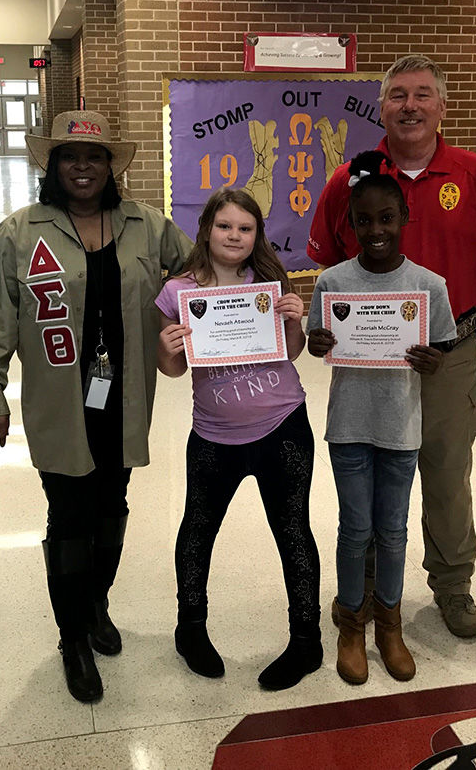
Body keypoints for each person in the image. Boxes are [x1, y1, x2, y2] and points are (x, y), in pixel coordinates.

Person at [0, 110, 192, 704]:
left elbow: (204, 270)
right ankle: (72, 636)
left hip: (125, 396)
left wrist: (254, 308)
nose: (82, 167)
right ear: (53, 165)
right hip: (58, 399)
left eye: (94, 157)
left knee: (111, 504)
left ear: (110, 165)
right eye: (70, 156)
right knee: (68, 513)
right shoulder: (21, 231)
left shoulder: (147, 225)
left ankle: (96, 604)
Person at [307, 55, 476, 639]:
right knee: (377, 469)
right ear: (381, 108)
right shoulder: (348, 177)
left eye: (423, 94)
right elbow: (330, 259)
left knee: (447, 471)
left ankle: (452, 586)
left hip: (449, 356)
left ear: (442, 107)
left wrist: (443, 317)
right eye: (398, 95)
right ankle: (372, 588)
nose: (410, 105)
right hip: (372, 361)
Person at [155, 189, 321, 691]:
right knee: (198, 530)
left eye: (245, 229)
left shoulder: (269, 282)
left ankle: (306, 640)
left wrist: (295, 319)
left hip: (283, 425)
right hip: (214, 434)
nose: (234, 236)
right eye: (225, 226)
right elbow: (173, 369)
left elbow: (290, 354)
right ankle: (191, 629)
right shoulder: (178, 292)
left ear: (256, 236)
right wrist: (165, 346)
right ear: (206, 229)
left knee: (293, 530)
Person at [306, 161, 457, 684]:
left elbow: (440, 346)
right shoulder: (331, 282)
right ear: (350, 223)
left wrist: (434, 360)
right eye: (364, 221)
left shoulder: (428, 286)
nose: (376, 231)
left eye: (387, 218)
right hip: (348, 426)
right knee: (355, 529)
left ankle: (389, 625)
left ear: (404, 218)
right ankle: (352, 623)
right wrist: (318, 341)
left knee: (393, 532)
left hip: (400, 428)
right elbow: (314, 339)